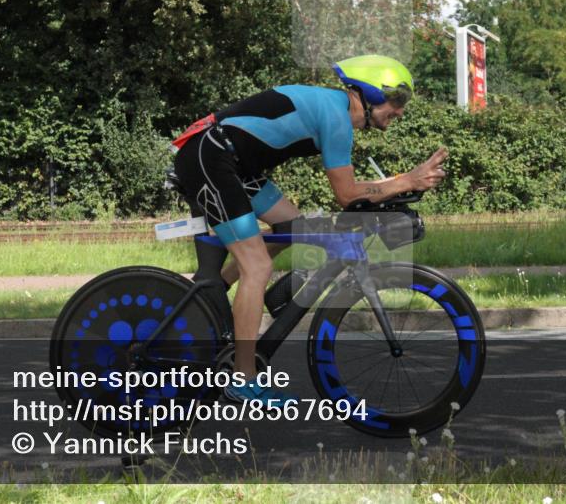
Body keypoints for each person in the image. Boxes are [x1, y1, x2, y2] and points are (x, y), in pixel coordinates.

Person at [170, 55, 447, 405]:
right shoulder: (337, 117)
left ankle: (215, 292)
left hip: (234, 165)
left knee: (294, 227)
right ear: (372, 91)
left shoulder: (337, 113)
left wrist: (404, 183)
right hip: (210, 157)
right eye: (397, 100)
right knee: (258, 265)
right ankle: (241, 379)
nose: (400, 111)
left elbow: (353, 192)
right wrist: (406, 179)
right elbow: (347, 194)